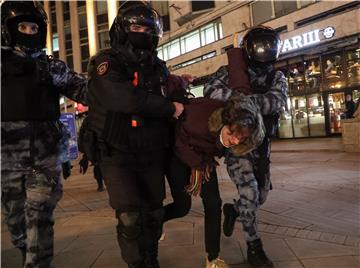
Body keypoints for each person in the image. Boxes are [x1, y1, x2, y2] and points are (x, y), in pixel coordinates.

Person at [85, 1, 184, 267]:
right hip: (117, 152)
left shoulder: (159, 67)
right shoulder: (106, 62)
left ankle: (151, 259)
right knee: (129, 217)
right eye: (137, 27)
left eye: (147, 29)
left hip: (152, 151)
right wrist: (167, 107)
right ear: (123, 30)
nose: (142, 32)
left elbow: (174, 100)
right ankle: (136, 264)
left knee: (153, 213)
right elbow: (123, 99)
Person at [1, 1, 88, 267]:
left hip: (46, 158)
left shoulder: (52, 68)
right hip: (7, 160)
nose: (28, 32)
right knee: (16, 225)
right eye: (22, 27)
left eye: (33, 27)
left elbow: (86, 91)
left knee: (40, 219)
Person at [203, 25, 288, 267]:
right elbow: (210, 91)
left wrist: (240, 100)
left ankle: (234, 211)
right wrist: (248, 102)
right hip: (237, 145)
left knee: (259, 196)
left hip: (261, 145)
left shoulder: (277, 77)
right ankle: (254, 247)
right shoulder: (230, 72)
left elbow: (276, 102)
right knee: (250, 193)